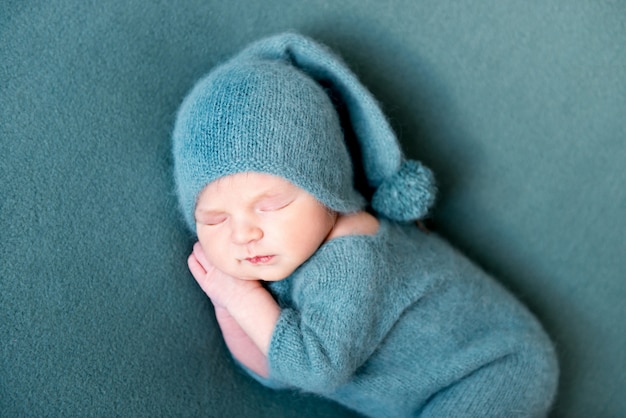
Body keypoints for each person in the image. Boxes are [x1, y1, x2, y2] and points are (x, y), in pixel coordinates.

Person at [172, 32, 558, 417]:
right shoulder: (282, 254)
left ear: (326, 187)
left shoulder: (351, 251)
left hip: (493, 366)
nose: (243, 234)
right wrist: (229, 307)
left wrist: (243, 299)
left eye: (271, 204)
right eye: (215, 219)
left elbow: (313, 368)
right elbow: (275, 370)